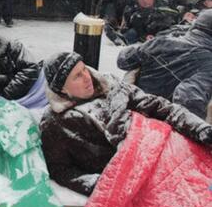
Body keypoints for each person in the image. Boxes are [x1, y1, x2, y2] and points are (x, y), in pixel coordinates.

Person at [40, 52, 212, 196]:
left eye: (84, 69)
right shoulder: (55, 123)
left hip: (160, 153)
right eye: (77, 76)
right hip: (132, 181)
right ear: (62, 89)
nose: (87, 77)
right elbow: (60, 169)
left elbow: (161, 107)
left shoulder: (113, 87)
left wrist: (199, 128)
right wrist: (101, 184)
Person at [117, 10, 212, 120]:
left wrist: (145, 47)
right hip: (162, 124)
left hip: (130, 111)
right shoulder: (208, 64)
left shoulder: (161, 42)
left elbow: (124, 61)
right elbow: (188, 99)